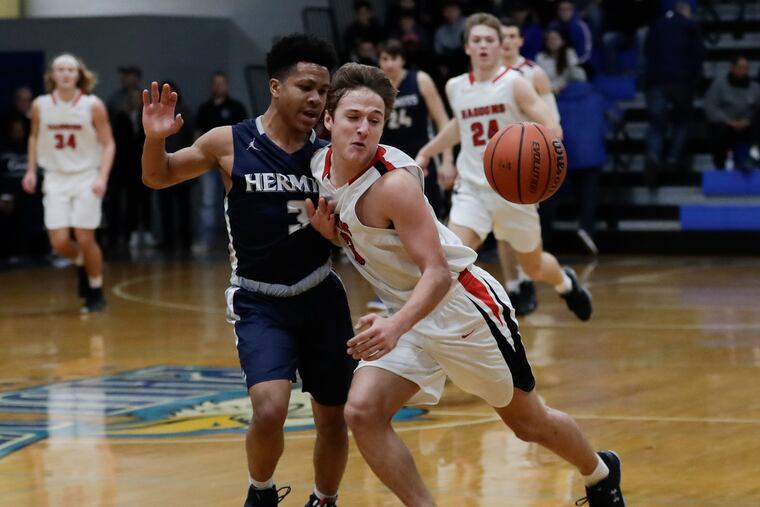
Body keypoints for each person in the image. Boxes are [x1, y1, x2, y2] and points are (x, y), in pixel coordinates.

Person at [307, 61, 625, 507]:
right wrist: (333, 235)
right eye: (352, 118)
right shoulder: (321, 166)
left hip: (464, 308)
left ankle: (600, 472)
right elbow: (369, 238)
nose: (363, 129)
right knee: (362, 411)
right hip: (410, 312)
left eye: (374, 120)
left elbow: (437, 272)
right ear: (328, 120)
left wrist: (394, 325)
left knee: (528, 424)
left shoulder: (394, 185)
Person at [141, 34, 356, 507]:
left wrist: (336, 234)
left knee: (333, 417)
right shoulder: (230, 141)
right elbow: (158, 176)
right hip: (260, 299)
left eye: (324, 90)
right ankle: (261, 492)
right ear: (276, 87)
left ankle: (325, 499)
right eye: (306, 86)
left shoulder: (329, 153)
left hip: (319, 293)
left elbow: (355, 235)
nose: (317, 98)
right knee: (270, 408)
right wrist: (156, 139)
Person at [417, 13, 593, 322]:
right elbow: (461, 125)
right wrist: (428, 151)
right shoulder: (456, 86)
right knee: (449, 257)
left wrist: (551, 136)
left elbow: (547, 120)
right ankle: (453, 329)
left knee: (534, 267)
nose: (483, 46)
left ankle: (566, 283)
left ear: (500, 46)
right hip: (472, 187)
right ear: (467, 47)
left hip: (513, 191)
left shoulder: (515, 83)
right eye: (477, 40)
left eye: (489, 40)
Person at [21, 53, 114, 312]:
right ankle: (84, 263)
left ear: (78, 75)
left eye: (70, 69)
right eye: (60, 69)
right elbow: (33, 138)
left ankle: (95, 290)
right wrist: (30, 170)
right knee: (59, 242)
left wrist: (102, 177)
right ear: (52, 75)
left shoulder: (92, 104)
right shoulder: (40, 105)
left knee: (85, 235)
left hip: (85, 176)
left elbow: (108, 144)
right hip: (54, 176)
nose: (65, 74)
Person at [497, 19, 562, 316]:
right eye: (503, 36)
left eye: (512, 35)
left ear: (521, 41)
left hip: (527, 162)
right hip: (496, 161)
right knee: (501, 232)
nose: (508, 41)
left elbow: (552, 120)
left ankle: (526, 281)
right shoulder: (487, 75)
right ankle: (512, 287)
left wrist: (551, 153)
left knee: (521, 229)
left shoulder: (534, 74)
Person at [642, 1, 703, 183]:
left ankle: (653, 155)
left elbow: (647, 52)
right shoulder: (690, 26)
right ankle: (673, 158)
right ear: (686, 11)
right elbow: (698, 55)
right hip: (681, 83)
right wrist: (695, 81)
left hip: (656, 81)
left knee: (656, 123)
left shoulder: (657, 25)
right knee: (681, 122)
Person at [194, 71, 248, 253]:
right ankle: (205, 241)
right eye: (216, 83)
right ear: (212, 86)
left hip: (232, 165)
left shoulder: (237, 107)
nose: (219, 86)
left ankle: (238, 242)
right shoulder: (204, 108)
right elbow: (197, 136)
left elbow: (244, 136)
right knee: (208, 203)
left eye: (222, 83)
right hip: (208, 165)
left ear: (227, 85)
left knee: (236, 201)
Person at [703, 55, 760, 170]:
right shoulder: (719, 85)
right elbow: (710, 106)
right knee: (717, 130)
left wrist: (748, 121)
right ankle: (721, 166)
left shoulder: (755, 87)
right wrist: (728, 121)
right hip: (725, 124)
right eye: (740, 67)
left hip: (748, 125)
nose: (743, 71)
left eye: (746, 68)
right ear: (732, 68)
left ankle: (754, 159)